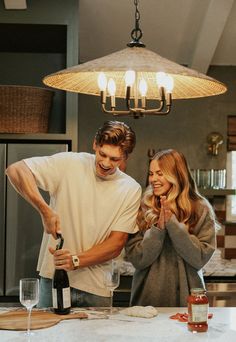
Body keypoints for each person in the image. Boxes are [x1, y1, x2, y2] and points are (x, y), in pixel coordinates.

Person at [6, 120, 142, 307]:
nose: (106, 163)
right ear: (95, 144)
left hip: (97, 288)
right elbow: (16, 170)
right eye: (102, 154)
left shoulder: (130, 189)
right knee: (48, 336)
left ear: (125, 157)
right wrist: (44, 210)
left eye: (114, 159)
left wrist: (75, 261)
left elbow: (116, 244)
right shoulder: (69, 163)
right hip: (53, 279)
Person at [125, 149, 218, 307]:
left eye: (160, 173)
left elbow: (199, 259)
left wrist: (173, 225)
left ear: (176, 175)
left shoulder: (200, 208)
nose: (153, 179)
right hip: (148, 302)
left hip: (188, 301)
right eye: (151, 173)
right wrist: (158, 229)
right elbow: (138, 259)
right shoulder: (143, 206)